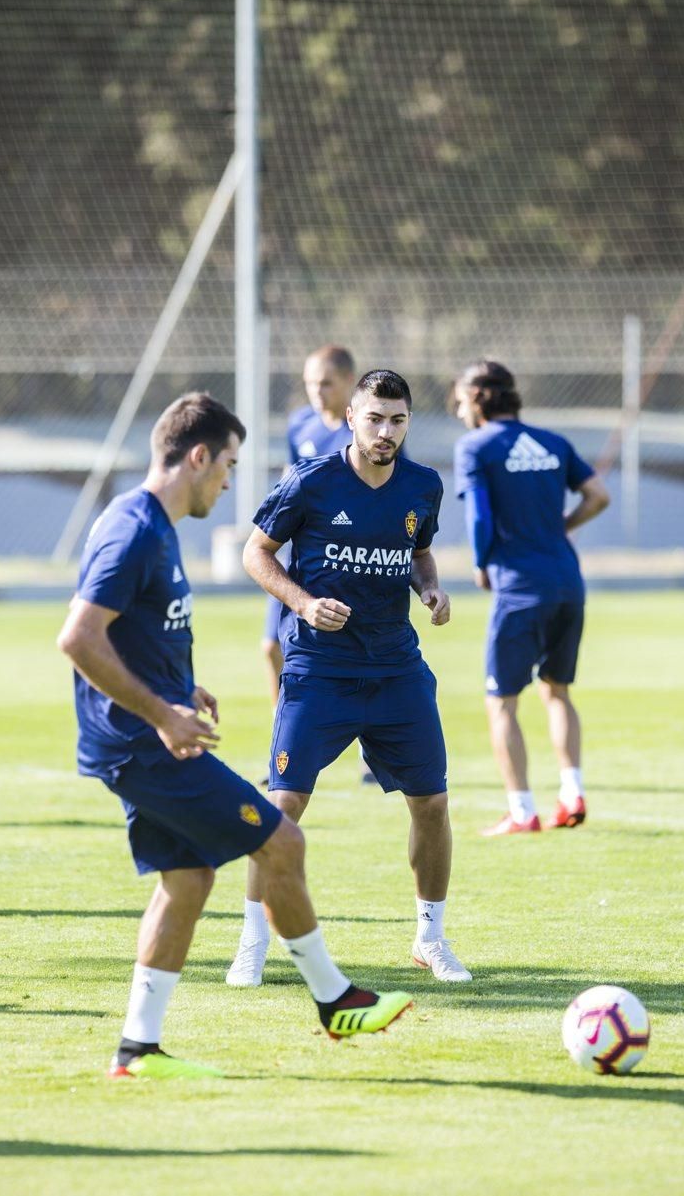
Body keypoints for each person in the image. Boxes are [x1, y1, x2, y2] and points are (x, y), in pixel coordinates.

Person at [56, 391, 413, 1080]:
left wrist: (176, 685)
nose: (228, 480)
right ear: (196, 456)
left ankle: (137, 1048)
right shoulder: (135, 528)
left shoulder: (150, 524)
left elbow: (131, 626)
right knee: (281, 837)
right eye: (226, 465)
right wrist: (162, 714)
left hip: (140, 735)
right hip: (144, 744)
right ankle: (336, 999)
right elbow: (78, 636)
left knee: (187, 878)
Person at [225, 369, 471, 988]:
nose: (386, 432)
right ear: (352, 419)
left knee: (433, 803)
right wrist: (303, 604)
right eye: (375, 420)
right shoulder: (310, 482)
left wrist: (432, 589)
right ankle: (251, 941)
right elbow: (255, 553)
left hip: (396, 668)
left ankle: (431, 938)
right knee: (282, 805)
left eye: (398, 421)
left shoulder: (422, 486)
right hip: (320, 670)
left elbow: (415, 551)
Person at [451, 360, 610, 835]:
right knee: (557, 691)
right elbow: (598, 495)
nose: (458, 410)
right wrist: (560, 529)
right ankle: (572, 791)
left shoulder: (475, 447)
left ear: (478, 398)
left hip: (519, 587)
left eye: (460, 400)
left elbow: (479, 519)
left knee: (501, 701)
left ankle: (522, 811)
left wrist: (482, 564)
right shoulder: (553, 442)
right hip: (567, 579)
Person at [260, 345, 378, 784]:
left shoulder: (367, 429)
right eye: (310, 382)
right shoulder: (300, 425)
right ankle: (281, 743)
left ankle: (374, 750)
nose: (316, 391)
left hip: (351, 563)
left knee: (362, 652)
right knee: (271, 647)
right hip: (300, 563)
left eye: (325, 382)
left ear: (349, 383)